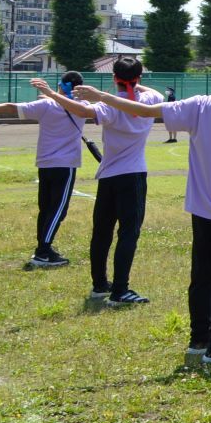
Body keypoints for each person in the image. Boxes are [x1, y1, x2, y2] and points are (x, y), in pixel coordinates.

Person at [78, 50, 211, 366]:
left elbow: (145, 111)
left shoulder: (199, 105)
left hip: (200, 206)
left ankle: (199, 340)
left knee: (200, 275)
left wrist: (101, 95)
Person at [28, 58, 164, 305]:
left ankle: (100, 284)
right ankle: (120, 290)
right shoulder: (149, 100)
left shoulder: (107, 106)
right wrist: (121, 88)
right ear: (139, 77)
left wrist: (51, 93)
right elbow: (151, 91)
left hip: (108, 177)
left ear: (114, 78)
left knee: (102, 233)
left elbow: (83, 110)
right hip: (132, 176)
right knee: (128, 234)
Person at [0, 71, 93, 269]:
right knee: (58, 211)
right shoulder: (82, 107)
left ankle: (44, 247)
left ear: (60, 86)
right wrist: (54, 95)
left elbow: (11, 107)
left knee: (46, 208)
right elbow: (78, 108)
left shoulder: (45, 105)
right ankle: (42, 252)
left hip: (45, 163)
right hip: (65, 164)